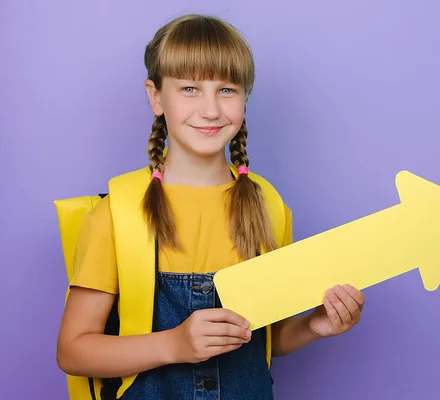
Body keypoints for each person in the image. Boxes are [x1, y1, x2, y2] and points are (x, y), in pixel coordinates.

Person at [55, 13, 365, 400]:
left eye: (226, 90)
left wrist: (315, 325)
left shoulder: (268, 205)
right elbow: (72, 350)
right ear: (156, 96)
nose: (211, 109)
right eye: (189, 89)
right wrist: (174, 344)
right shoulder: (117, 213)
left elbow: (270, 338)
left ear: (245, 97)